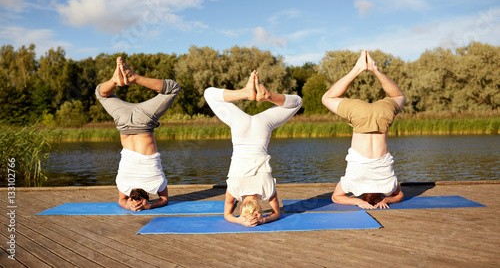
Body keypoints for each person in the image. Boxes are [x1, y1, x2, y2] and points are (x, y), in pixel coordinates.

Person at [204, 71, 302, 226]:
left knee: (297, 102)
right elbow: (227, 214)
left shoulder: (267, 189)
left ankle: (267, 95)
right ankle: (245, 93)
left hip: (261, 131)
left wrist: (263, 219)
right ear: (241, 206)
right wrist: (239, 220)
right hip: (240, 129)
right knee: (209, 94)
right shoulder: (234, 190)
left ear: (261, 208)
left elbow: (276, 214)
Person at [322, 50, 406, 209]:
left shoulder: (382, 186)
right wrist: (360, 200)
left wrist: (371, 200)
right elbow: (336, 197)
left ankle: (368, 69)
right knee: (327, 99)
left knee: (400, 97)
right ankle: (365, 69)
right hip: (367, 118)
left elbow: (399, 195)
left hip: (374, 118)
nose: (366, 198)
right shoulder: (357, 185)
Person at [95, 57, 181, 211]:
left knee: (173, 88)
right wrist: (128, 205)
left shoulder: (155, 184)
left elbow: (164, 199)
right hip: (123, 121)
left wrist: (149, 206)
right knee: (100, 93)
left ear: (148, 194)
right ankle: (115, 80)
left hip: (143, 121)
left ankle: (133, 78)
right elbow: (121, 201)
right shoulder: (123, 184)